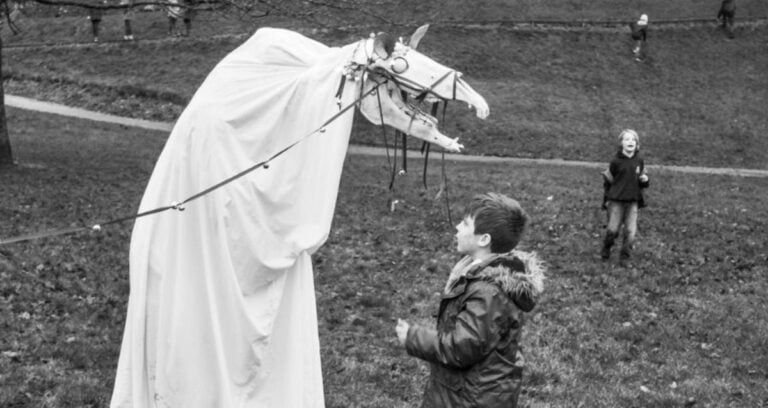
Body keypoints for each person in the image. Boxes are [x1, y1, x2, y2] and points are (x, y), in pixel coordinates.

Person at [395, 192, 545, 407]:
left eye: (465, 224)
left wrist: (413, 337)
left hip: (472, 398)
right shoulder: (478, 274)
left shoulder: (488, 292)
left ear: (484, 239)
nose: (457, 227)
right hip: (467, 390)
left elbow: (462, 348)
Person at [600, 129, 650, 264]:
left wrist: (645, 180)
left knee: (630, 231)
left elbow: (642, 180)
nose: (630, 142)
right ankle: (606, 248)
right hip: (616, 200)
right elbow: (608, 181)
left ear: (637, 144)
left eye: (633, 140)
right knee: (612, 230)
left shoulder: (639, 160)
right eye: (627, 139)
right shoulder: (615, 161)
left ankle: (625, 257)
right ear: (621, 143)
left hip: (633, 200)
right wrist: (606, 200)